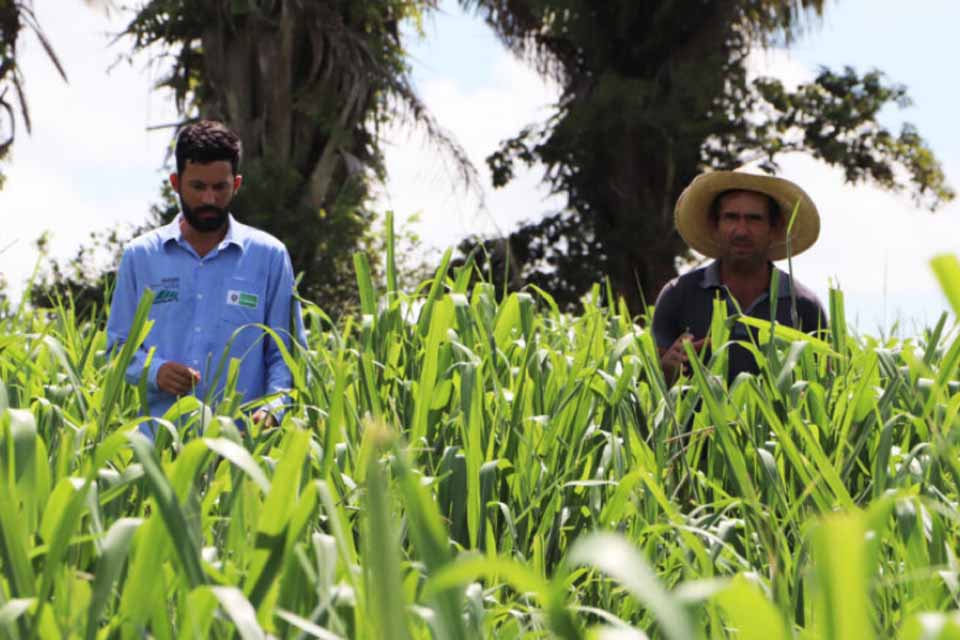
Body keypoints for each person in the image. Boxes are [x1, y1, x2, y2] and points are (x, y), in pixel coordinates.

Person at [107, 120, 302, 433]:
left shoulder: (269, 257)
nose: (209, 199)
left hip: (241, 449)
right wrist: (154, 371)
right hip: (159, 447)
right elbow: (118, 349)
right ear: (175, 182)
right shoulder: (141, 257)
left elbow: (286, 355)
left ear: (236, 184)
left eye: (220, 187)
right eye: (198, 187)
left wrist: (273, 409)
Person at [652, 171, 827, 382]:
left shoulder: (803, 305)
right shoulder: (679, 295)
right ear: (715, 226)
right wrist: (668, 367)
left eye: (754, 219)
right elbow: (649, 385)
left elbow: (823, 387)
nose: (741, 231)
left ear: (775, 229)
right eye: (731, 217)